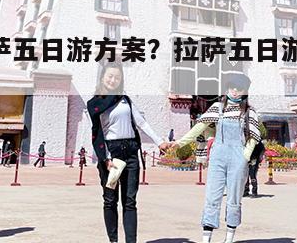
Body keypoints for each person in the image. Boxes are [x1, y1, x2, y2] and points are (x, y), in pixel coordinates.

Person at [172, 74, 261, 243]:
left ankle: (229, 238)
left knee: (234, 199)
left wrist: (245, 156)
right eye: (232, 87)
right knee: (212, 196)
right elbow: (199, 127)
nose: (235, 92)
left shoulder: (249, 112)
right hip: (218, 157)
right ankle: (206, 239)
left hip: (238, 158)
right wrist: (180, 143)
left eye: (239, 89)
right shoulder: (217, 107)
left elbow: (253, 137)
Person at [87, 63, 171, 243]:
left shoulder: (125, 99)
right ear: (102, 78)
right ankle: (113, 240)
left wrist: (159, 142)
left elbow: (142, 123)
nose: (113, 80)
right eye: (110, 76)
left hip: (131, 151)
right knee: (110, 200)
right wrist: (106, 158)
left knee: (130, 201)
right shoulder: (94, 104)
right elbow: (97, 134)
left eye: (117, 78)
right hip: (111, 154)